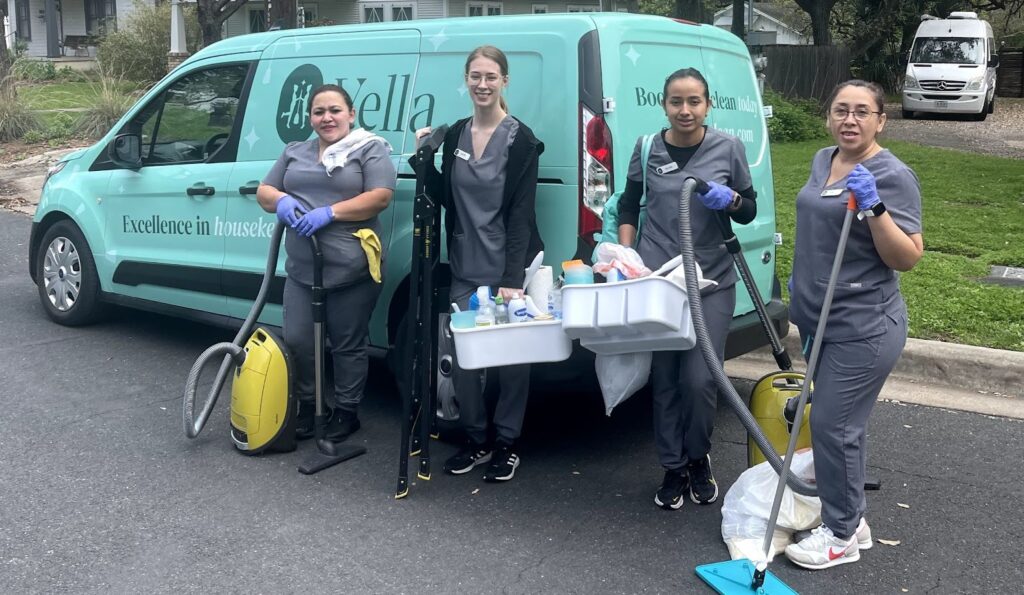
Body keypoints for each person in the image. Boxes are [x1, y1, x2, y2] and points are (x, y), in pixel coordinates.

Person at [783, 80, 923, 570]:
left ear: (881, 121)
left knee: (832, 425)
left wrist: (874, 207)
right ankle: (853, 520)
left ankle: (840, 534)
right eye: (841, 110)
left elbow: (907, 257)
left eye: (862, 112)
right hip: (817, 319)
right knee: (845, 429)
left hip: (864, 325)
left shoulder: (892, 174)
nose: (850, 119)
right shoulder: (824, 159)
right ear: (828, 118)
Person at [617, 68, 757, 510]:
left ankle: (699, 457)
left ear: (707, 105)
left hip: (710, 280)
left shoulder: (727, 148)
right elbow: (627, 202)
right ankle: (673, 466)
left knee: (700, 380)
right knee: (666, 380)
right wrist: (626, 256)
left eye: (694, 101)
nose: (685, 110)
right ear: (664, 104)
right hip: (659, 283)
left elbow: (749, 210)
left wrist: (731, 200)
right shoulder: (647, 148)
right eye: (676, 101)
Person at [415, 45, 544, 483]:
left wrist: (512, 280)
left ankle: (507, 444)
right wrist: (423, 160)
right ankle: (477, 440)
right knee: (467, 359)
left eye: (491, 77)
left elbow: (522, 214)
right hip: (465, 264)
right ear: (466, 81)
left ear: (504, 81)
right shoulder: (454, 135)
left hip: (508, 267)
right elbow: (444, 196)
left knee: (511, 362)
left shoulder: (521, 140)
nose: (482, 84)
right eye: (475, 76)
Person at [257, 84, 396, 443]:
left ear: (351, 114)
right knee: (301, 339)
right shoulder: (295, 152)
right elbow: (264, 191)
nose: (327, 118)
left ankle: (347, 412)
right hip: (302, 272)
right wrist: (282, 201)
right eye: (319, 112)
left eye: (335, 110)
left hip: (352, 270)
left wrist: (330, 212)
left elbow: (380, 197)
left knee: (347, 343)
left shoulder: (369, 149)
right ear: (310, 118)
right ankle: (309, 404)